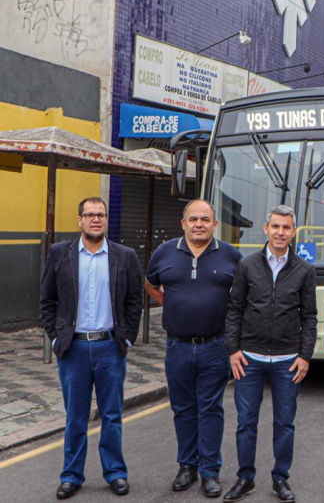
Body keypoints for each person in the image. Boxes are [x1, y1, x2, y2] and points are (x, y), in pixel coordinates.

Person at [39, 197, 143, 500]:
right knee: (75, 417)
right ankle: (71, 476)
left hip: (111, 347)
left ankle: (115, 473)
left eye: (100, 215)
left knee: (112, 415)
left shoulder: (125, 256)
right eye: (89, 215)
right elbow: (47, 301)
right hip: (74, 350)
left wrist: (128, 339)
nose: (95, 219)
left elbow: (134, 302)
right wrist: (57, 340)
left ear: (106, 219)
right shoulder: (60, 254)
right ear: (79, 220)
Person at [145, 199, 242, 497]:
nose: (199, 224)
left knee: (211, 409)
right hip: (177, 347)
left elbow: (241, 297)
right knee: (183, 409)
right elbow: (150, 283)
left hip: (215, 346)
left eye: (205, 219)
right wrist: (170, 304)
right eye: (193, 219)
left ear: (215, 224)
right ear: (183, 223)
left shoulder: (231, 256)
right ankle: (187, 466)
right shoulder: (164, 253)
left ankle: (210, 471)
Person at [223, 205, 317, 503]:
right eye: (275, 226)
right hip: (249, 358)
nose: (280, 232)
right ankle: (245, 477)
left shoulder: (305, 270)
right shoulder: (247, 265)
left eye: (286, 228)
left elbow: (310, 317)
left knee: (285, 423)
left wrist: (304, 355)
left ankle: (281, 479)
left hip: (288, 361)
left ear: (293, 232)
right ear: (266, 229)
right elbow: (234, 310)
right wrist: (233, 349)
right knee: (246, 421)